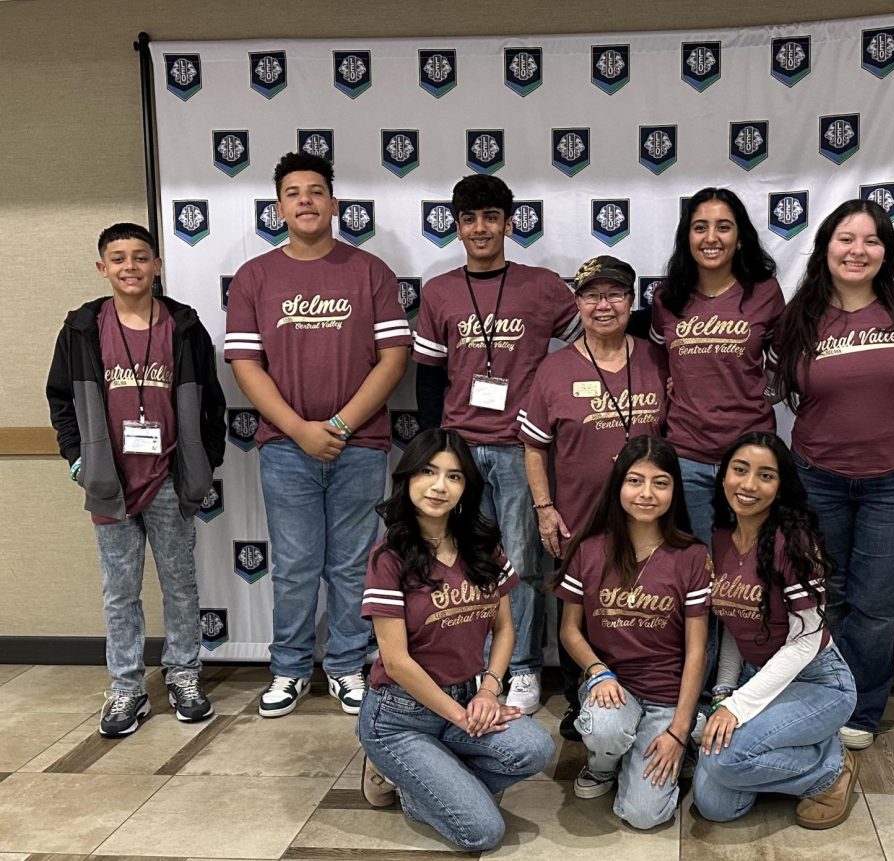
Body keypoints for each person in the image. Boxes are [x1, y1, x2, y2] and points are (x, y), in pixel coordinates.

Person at [225, 152, 411, 718]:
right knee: (296, 562)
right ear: (278, 207)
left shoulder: (369, 271)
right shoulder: (255, 277)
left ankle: (348, 665)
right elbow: (246, 366)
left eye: (315, 191)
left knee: (354, 563)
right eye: (292, 192)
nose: (304, 200)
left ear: (333, 203)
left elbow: (393, 357)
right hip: (286, 447)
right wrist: (301, 430)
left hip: (360, 445)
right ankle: (288, 669)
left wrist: (339, 426)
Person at [769, 199, 894, 751]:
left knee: (876, 604)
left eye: (871, 240)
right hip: (818, 475)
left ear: (886, 252)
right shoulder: (799, 316)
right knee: (828, 594)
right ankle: (823, 694)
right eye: (846, 239)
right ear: (826, 247)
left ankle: (862, 709)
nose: (858, 250)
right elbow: (771, 387)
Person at [47, 223, 226, 736]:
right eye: (119, 258)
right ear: (103, 268)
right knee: (119, 591)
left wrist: (203, 461)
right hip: (111, 482)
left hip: (169, 476)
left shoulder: (184, 326)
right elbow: (61, 399)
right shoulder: (82, 329)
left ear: (158, 265)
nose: (131, 267)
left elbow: (211, 403)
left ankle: (184, 674)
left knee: (180, 585)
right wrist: (78, 460)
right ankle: (127, 688)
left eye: (141, 257)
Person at [414, 175, 581, 715]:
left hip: (520, 449)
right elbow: (428, 378)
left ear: (510, 224)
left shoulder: (545, 286)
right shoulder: (438, 291)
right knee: (468, 565)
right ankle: (478, 667)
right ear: (456, 228)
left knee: (525, 565)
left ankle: (525, 669)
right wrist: (434, 449)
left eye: (491, 217)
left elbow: (592, 345)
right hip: (460, 453)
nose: (480, 228)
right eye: (469, 219)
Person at [356, 428, 554, 851]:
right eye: (428, 471)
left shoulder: (482, 546)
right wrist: (461, 717)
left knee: (535, 749)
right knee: (481, 832)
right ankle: (404, 780)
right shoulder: (389, 557)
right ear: (408, 478)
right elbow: (396, 662)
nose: (439, 486)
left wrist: (488, 691)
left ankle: (426, 779)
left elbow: (504, 628)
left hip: (467, 696)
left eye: (454, 475)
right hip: (400, 718)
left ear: (466, 487)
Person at [518, 254, 668, 740]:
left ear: (632, 301)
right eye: (591, 295)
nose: (604, 305)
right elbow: (535, 447)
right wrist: (545, 510)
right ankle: (582, 695)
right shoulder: (553, 369)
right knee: (578, 609)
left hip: (649, 517)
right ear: (578, 304)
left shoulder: (655, 358)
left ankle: (651, 694)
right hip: (580, 520)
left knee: (644, 605)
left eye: (615, 294)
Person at [694, 432, 858, 829]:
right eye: (740, 470)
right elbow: (735, 622)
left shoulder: (795, 542)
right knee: (714, 804)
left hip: (818, 681)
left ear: (781, 485)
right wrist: (724, 690)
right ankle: (793, 753)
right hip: (759, 677)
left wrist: (739, 706)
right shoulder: (719, 537)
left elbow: (806, 641)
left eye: (766, 476)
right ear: (724, 476)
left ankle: (832, 769)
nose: (749, 485)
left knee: (723, 758)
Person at [554, 436, 711, 831]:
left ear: (675, 490)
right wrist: (597, 670)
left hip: (665, 698)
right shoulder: (589, 549)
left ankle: (673, 740)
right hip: (611, 686)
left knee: (644, 817)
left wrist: (677, 729)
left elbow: (697, 652)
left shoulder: (692, 556)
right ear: (618, 485)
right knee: (607, 729)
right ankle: (605, 765)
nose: (646, 493)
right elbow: (570, 630)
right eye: (635, 481)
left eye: (660, 483)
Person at [650, 188, 783, 547]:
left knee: (751, 567)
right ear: (686, 237)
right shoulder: (667, 298)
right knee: (697, 565)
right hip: (686, 454)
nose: (711, 238)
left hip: (750, 455)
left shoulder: (765, 292)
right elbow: (659, 362)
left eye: (723, 227)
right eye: (700, 228)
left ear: (740, 238)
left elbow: (779, 361)